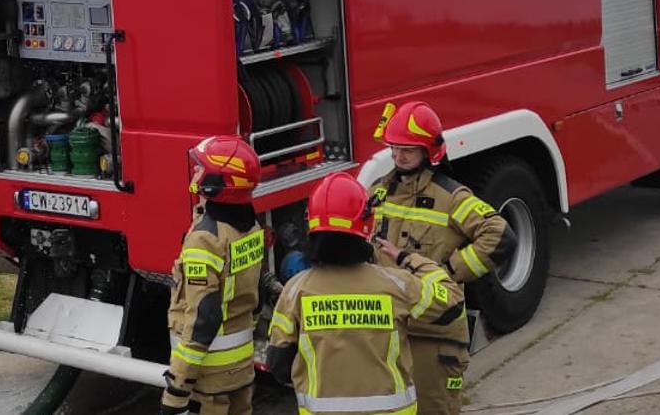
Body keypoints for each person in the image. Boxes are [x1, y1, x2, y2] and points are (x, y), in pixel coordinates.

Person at [267, 173, 464, 415]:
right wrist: (406, 258)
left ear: (311, 226)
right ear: (367, 225)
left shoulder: (295, 290)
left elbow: (278, 364)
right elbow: (452, 303)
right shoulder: (396, 285)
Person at [372, 101, 509, 415]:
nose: (398, 156)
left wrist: (449, 271)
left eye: (408, 149)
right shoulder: (380, 192)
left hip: (435, 334)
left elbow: (499, 235)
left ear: (429, 151)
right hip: (391, 329)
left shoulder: (451, 196)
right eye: (394, 147)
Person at [161, 135, 266, 415]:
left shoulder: (205, 239)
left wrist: (178, 387)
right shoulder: (252, 228)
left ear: (218, 182)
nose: (195, 172)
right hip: (240, 370)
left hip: (208, 377)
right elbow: (256, 296)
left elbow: (203, 318)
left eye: (201, 168)